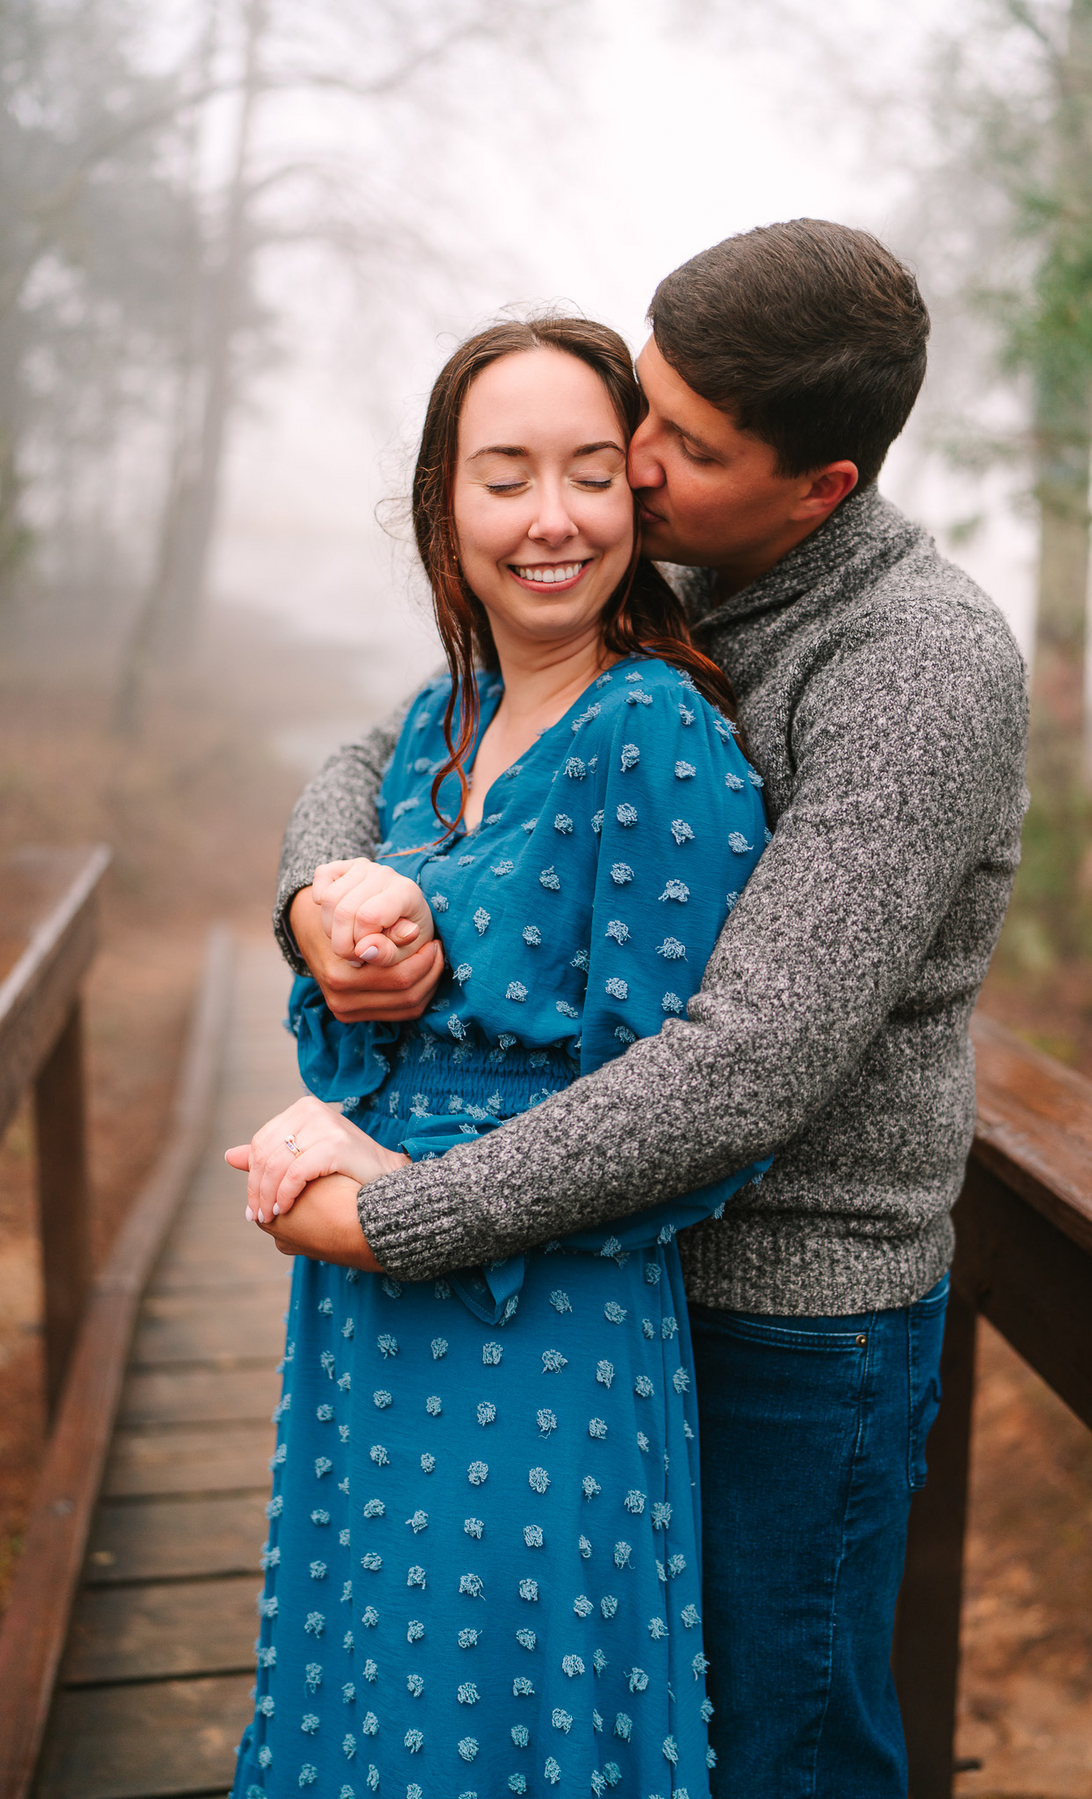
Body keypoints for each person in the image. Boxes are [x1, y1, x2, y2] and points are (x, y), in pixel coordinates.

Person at [262, 220, 1029, 1798]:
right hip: (596, 1276)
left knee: (777, 1744)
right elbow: (401, 742)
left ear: (822, 485)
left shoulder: (916, 663)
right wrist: (317, 895)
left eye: (681, 441)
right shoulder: (668, 557)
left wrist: (408, 1217)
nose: (639, 465)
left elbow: (750, 1058)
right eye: (647, 414)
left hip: (789, 1308)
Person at [225, 315, 775, 1798]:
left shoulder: (655, 736)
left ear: (637, 503)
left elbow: (679, 1117)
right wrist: (337, 951)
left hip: (544, 1334)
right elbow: (358, 1040)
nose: (552, 518)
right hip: (364, 1328)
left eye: (594, 474)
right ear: (441, 506)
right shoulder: (438, 724)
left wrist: (392, 1178)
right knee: (370, 1698)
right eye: (505, 475)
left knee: (500, 1734)